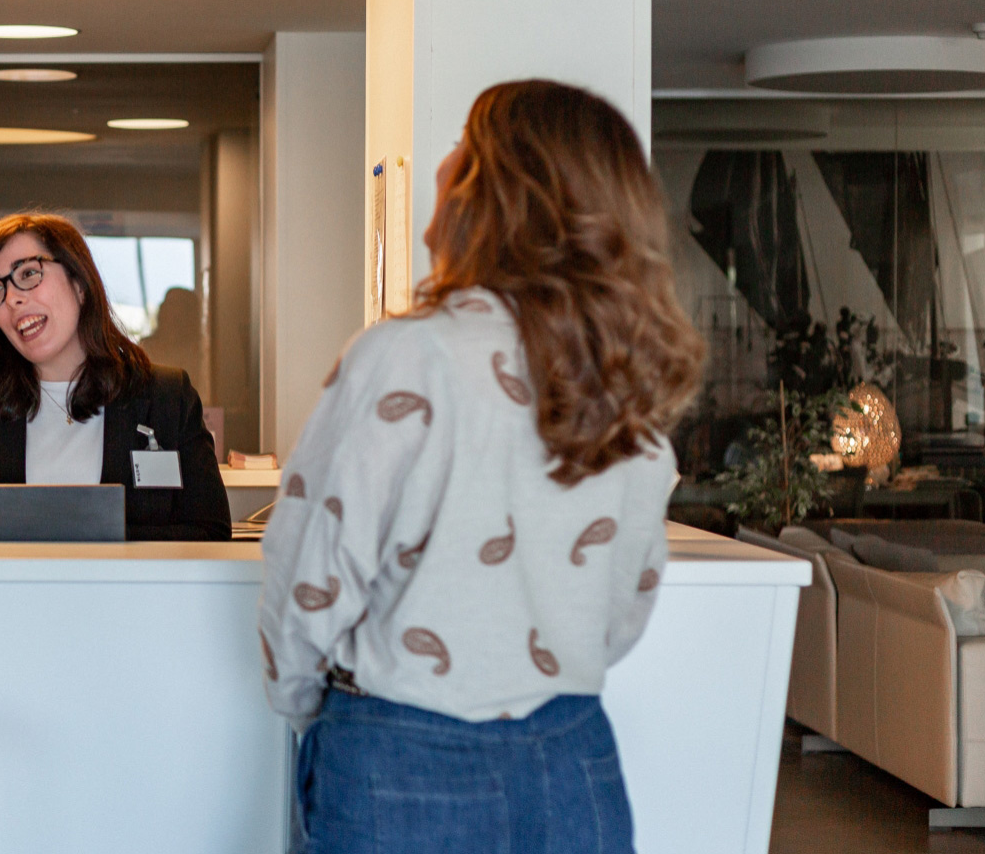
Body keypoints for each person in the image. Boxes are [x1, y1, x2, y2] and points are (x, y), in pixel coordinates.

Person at [258, 80, 705, 853]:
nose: (442, 160)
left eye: (463, 140)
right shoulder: (627, 374)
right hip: (573, 754)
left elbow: (310, 580)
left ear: (497, 188)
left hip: (403, 757)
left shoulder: (405, 355)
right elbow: (624, 605)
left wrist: (318, 709)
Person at [0, 212, 230, 541]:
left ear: (79, 282)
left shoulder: (166, 398)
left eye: (28, 273)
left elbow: (209, 534)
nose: (12, 297)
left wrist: (92, 545)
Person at [139, 287, 203, 377]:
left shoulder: (197, 351)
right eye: (167, 304)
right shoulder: (147, 346)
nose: (165, 309)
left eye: (174, 305)